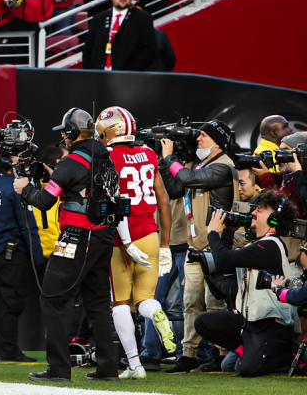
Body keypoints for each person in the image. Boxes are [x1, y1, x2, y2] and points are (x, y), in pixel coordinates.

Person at [16, 108, 121, 382]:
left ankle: (59, 369)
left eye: (64, 132)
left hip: (77, 237)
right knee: (97, 305)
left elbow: (43, 201)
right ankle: (107, 369)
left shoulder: (71, 162)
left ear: (73, 133)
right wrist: (55, 175)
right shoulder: (106, 158)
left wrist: (25, 188)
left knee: (51, 299)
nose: (62, 136)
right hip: (104, 238)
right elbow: (79, 185)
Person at [95, 106, 175, 379]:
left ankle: (134, 365)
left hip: (121, 237)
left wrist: (126, 241)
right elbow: (164, 200)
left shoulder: (108, 157)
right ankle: (157, 314)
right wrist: (165, 245)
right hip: (151, 234)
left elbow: (116, 204)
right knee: (145, 299)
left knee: (119, 302)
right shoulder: (150, 155)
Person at [157, 119, 237, 373]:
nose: (198, 138)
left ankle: (221, 354)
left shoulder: (223, 166)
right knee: (190, 301)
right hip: (195, 247)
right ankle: (189, 355)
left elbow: (188, 178)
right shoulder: (204, 164)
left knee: (214, 303)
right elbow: (175, 190)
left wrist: (170, 159)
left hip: (217, 247)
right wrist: (164, 161)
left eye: (203, 135)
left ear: (218, 141)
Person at [194, 190, 300, 377]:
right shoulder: (258, 244)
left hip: (271, 325)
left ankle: (286, 354)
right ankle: (247, 351)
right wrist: (227, 231)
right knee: (204, 322)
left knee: (247, 370)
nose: (252, 213)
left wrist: (213, 234)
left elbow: (224, 260)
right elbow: (223, 264)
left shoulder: (270, 246)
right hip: (250, 321)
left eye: (259, 210)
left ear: (274, 217)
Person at [0, 151, 42, 364]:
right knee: (10, 302)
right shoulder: (14, 189)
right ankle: (9, 351)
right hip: (10, 255)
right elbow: (26, 226)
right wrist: (37, 257)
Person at [80, 0, 158, 71]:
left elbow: (150, 50)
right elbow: (88, 49)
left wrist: (128, 70)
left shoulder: (143, 17)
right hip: (99, 77)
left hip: (127, 77)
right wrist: (89, 73)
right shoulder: (98, 19)